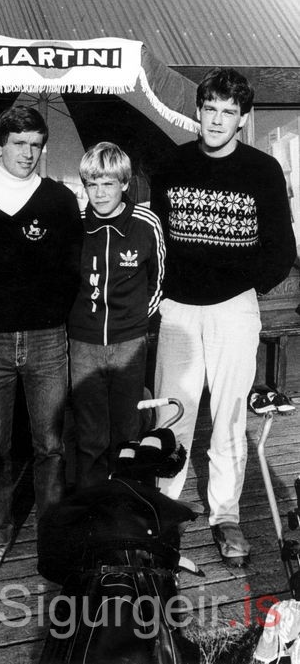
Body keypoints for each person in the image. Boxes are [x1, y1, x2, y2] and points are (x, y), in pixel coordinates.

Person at [150, 67, 297, 566]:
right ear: (198, 110)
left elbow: (281, 250)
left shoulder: (262, 170)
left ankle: (226, 515)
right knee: (174, 413)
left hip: (234, 309)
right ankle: (163, 509)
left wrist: (239, 284)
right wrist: (168, 292)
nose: (216, 119)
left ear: (242, 118)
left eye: (228, 112)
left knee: (230, 417)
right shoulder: (171, 165)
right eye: (210, 108)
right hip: (178, 311)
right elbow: (157, 242)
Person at [0, 105, 83, 574]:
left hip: (48, 339)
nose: (28, 153)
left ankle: (53, 533)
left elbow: (71, 268)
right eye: (19, 143)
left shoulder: (59, 199)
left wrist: (49, 315)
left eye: (36, 144)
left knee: (50, 444)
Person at [68, 142, 165, 489]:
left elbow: (158, 280)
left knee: (128, 429)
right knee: (90, 433)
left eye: (108, 184)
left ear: (124, 183)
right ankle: (93, 504)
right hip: (83, 343)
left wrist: (135, 320)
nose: (99, 193)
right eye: (92, 184)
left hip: (130, 343)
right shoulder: (76, 224)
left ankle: (129, 499)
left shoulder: (146, 223)